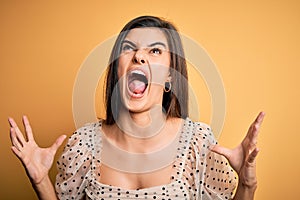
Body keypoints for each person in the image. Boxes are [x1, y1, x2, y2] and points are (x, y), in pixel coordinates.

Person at [8, 16, 265, 200]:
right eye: (128, 48)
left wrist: (246, 184)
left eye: (154, 50)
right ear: (117, 71)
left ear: (170, 78)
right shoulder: (82, 145)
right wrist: (41, 181)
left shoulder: (199, 143)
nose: (138, 56)